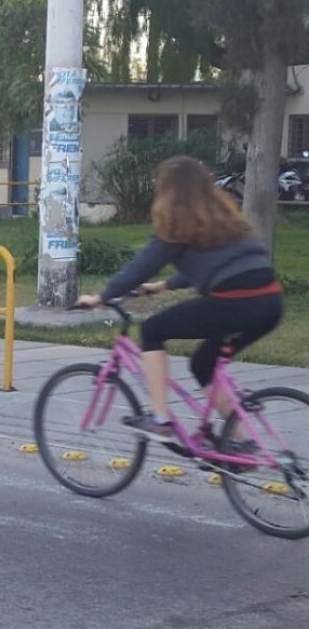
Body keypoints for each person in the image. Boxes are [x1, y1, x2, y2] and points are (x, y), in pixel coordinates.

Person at [75, 155, 283, 444]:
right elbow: (220, 266)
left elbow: (140, 267)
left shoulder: (175, 225)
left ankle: (160, 419)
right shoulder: (225, 219)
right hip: (270, 303)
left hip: (233, 303)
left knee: (152, 330)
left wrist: (100, 298)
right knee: (203, 365)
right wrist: (163, 285)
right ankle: (238, 443)